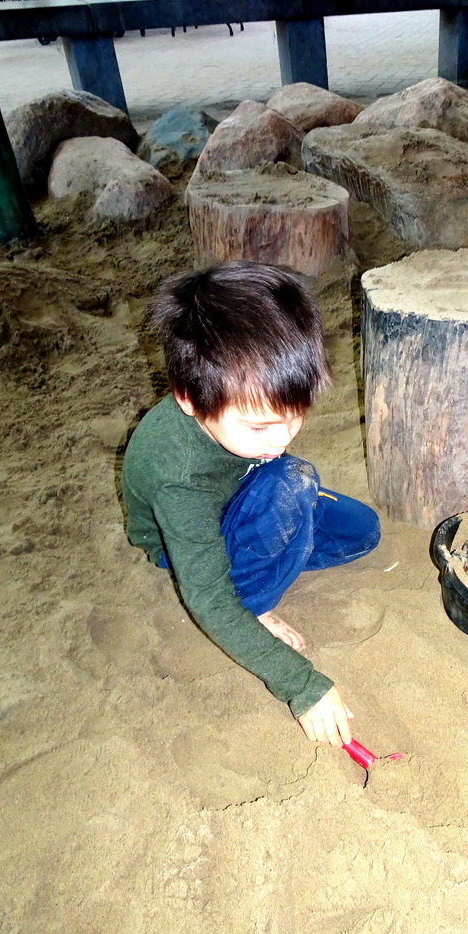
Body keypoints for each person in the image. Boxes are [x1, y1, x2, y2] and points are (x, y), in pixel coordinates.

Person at [122, 261, 380, 747]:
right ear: (188, 398)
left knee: (361, 531)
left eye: (294, 416)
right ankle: (253, 599)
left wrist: (267, 466)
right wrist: (301, 684)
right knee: (291, 480)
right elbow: (206, 601)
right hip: (184, 535)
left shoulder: (241, 419)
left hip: (241, 491)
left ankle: (270, 535)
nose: (281, 438)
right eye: (260, 427)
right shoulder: (178, 479)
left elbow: (269, 450)